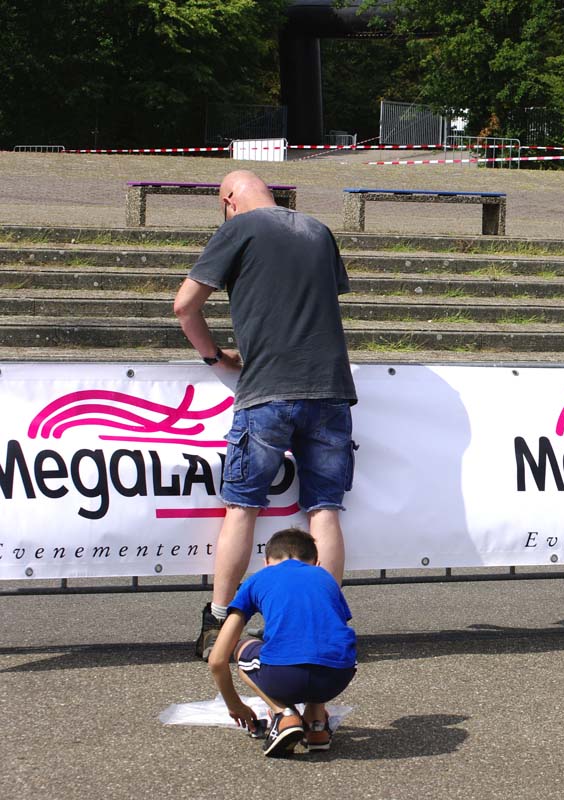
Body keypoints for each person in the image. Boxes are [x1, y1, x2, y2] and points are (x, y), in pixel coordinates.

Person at [173, 169, 358, 661]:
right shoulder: (318, 230)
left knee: (242, 506)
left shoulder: (238, 228)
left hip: (268, 388)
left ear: (229, 201)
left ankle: (218, 622)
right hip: (330, 388)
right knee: (324, 509)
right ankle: (323, 621)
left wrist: (214, 357)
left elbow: (185, 306)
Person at [208, 528, 357, 757]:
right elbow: (332, 633)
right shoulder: (326, 578)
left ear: (266, 562)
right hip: (336, 678)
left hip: (284, 677)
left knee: (243, 646)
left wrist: (234, 704)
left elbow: (217, 660)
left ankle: (284, 715)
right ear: (316, 562)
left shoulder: (258, 579)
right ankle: (316, 723)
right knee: (320, 645)